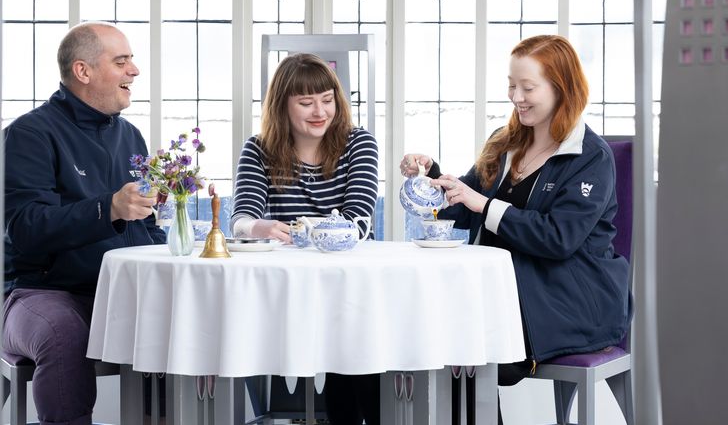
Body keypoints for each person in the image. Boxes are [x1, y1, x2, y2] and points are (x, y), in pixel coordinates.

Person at [401, 34, 630, 390]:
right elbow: (465, 209)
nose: (516, 98)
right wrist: (431, 177)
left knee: (463, 350)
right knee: (420, 336)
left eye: (527, 87)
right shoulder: (506, 142)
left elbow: (559, 239)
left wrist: (485, 204)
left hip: (568, 302)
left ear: (561, 89)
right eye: (511, 86)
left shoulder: (591, 157)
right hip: (502, 293)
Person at [3, 22, 166, 425]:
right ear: (83, 71)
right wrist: (108, 208)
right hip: (39, 294)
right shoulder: (29, 134)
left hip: (115, 291)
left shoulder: (131, 137)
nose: (135, 71)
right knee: (63, 335)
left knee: (179, 319)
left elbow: (145, 226)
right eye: (122, 61)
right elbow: (26, 227)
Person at [232, 53, 380, 425]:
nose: (320, 111)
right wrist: (258, 228)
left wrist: (294, 229)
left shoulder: (358, 143)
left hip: (352, 287)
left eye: (327, 100)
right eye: (306, 102)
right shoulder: (258, 149)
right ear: (282, 106)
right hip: (289, 288)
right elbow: (241, 219)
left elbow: (358, 222)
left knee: (354, 357)